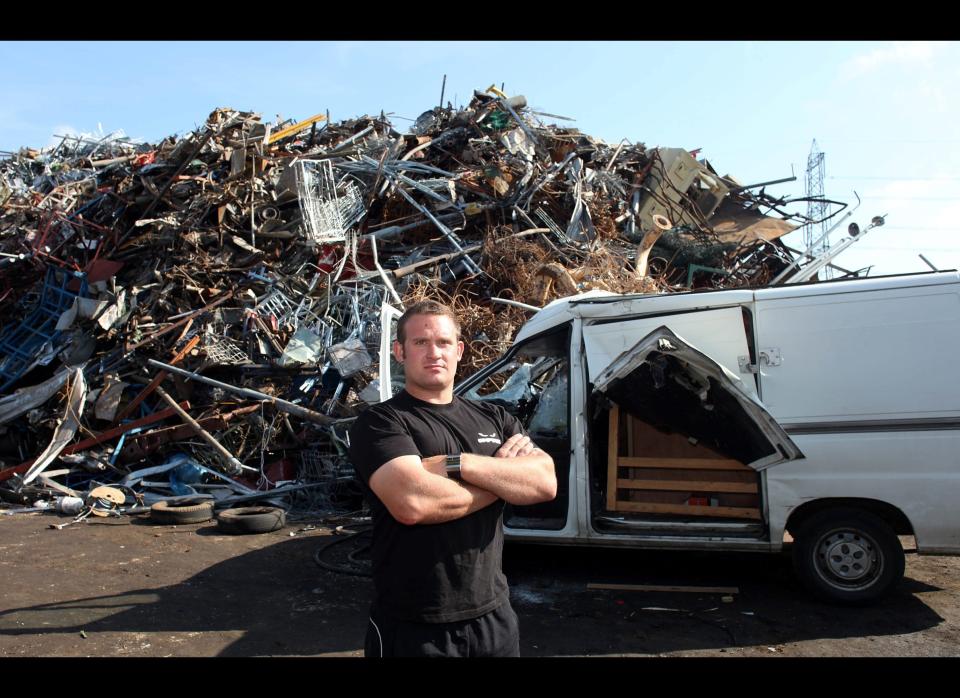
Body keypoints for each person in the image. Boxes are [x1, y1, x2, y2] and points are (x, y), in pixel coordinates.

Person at [348, 300, 557, 657]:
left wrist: (456, 464)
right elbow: (412, 504)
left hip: (493, 617)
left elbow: (544, 483)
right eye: (420, 343)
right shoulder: (381, 423)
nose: (434, 353)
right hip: (414, 625)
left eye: (443, 342)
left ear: (459, 350)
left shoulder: (495, 417)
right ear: (399, 351)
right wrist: (501, 483)